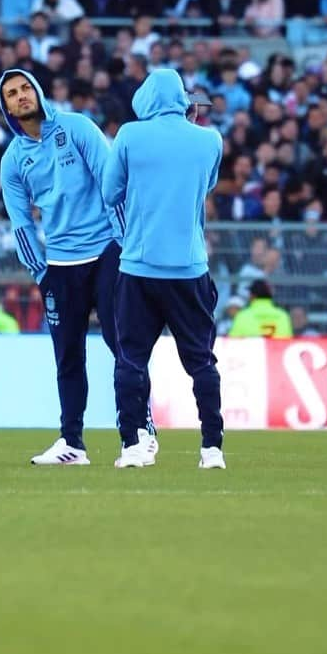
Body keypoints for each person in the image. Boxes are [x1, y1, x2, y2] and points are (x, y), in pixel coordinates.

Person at [0, 67, 156, 466]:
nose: (20, 96)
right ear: (6, 107)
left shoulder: (77, 128)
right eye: (11, 93)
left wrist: (123, 243)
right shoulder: (13, 161)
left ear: (37, 91)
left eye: (24, 88)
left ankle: (138, 433)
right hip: (60, 265)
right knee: (67, 355)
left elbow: (111, 183)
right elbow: (21, 223)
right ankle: (72, 442)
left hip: (106, 250)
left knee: (120, 343)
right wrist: (40, 272)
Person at [102, 68, 225, 470]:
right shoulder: (210, 140)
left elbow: (110, 192)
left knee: (130, 360)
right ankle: (212, 449)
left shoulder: (130, 136)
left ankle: (134, 445)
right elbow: (205, 187)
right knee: (202, 362)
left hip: (138, 266)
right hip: (189, 268)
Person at [228, 279, 293, 337]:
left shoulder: (242, 316)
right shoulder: (283, 316)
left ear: (252, 296)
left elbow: (232, 343)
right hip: (277, 350)